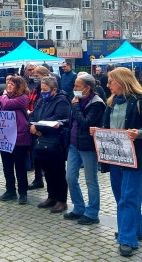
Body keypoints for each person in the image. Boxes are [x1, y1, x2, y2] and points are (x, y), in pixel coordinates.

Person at [90, 67, 142, 257]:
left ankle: (127, 238)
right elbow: (109, 128)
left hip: (135, 159)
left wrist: (139, 133)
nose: (107, 84)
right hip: (115, 158)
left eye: (111, 81)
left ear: (122, 81)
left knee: (129, 197)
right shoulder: (111, 103)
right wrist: (98, 131)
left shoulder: (139, 101)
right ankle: (136, 229)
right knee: (122, 196)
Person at [0, 76, 31, 203]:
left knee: (20, 166)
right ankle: (10, 190)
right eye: (8, 84)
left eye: (12, 84)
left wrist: (3, 96)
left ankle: (23, 192)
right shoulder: (5, 97)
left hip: (20, 136)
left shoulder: (23, 97)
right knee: (7, 165)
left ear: (19, 86)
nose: (9, 86)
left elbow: (7, 104)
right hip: (5, 136)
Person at [64, 74, 105, 225]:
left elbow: (85, 123)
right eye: (74, 85)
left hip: (88, 146)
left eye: (77, 86)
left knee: (90, 180)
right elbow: (72, 122)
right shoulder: (77, 100)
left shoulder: (96, 103)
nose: (74, 89)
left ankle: (92, 213)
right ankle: (79, 207)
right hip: (74, 145)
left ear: (87, 88)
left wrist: (74, 106)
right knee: (70, 177)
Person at [29, 76, 71, 213]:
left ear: (54, 90)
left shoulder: (62, 100)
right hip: (41, 140)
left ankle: (61, 200)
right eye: (42, 89)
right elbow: (33, 115)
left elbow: (59, 119)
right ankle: (51, 196)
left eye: (46, 90)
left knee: (57, 171)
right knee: (47, 171)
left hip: (55, 141)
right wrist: (34, 126)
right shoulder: (42, 100)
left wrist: (39, 127)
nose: (43, 92)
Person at [28, 66, 50, 190]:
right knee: (35, 154)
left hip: (43, 127)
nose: (34, 77)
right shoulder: (35, 89)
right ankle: (38, 179)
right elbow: (32, 106)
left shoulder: (48, 91)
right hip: (33, 122)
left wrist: (39, 126)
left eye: (37, 75)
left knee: (44, 157)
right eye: (33, 75)